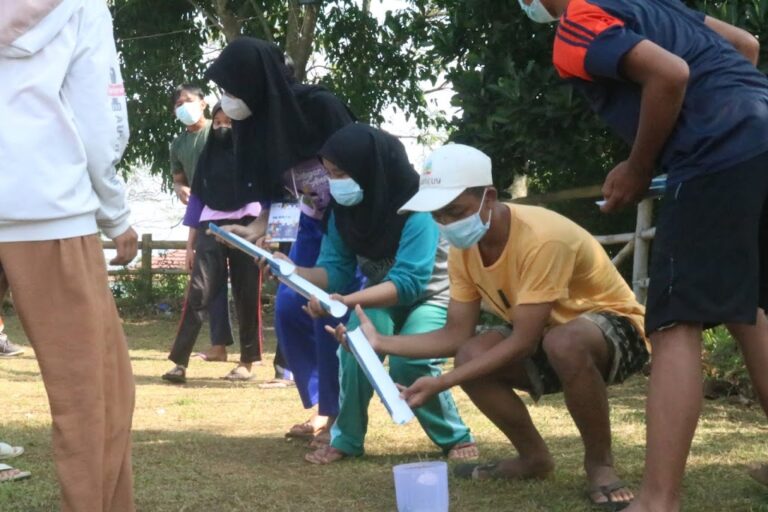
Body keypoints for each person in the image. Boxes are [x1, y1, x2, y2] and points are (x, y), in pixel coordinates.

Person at [514, 0, 768, 509]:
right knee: (751, 312)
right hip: (760, 132)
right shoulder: (652, 5)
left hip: (715, 156)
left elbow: (669, 74)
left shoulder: (575, 26)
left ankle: (657, 500)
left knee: (675, 324)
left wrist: (639, 165)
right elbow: (745, 45)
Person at [330, 144, 649, 508]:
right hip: (549, 337)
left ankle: (600, 465)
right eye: (438, 215)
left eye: (455, 211)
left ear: (489, 197)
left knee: (564, 341)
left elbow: (524, 342)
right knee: (471, 354)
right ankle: (533, 459)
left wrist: (442, 381)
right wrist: (381, 343)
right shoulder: (464, 251)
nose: (446, 224)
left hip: (617, 334)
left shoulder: (542, 238)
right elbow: (455, 335)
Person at [0, 1, 137, 510]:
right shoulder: (81, 6)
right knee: (95, 400)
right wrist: (116, 214)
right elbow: (98, 119)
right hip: (49, 210)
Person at [277, 124, 477, 464]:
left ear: (370, 168)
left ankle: (454, 437)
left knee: (408, 360)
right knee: (355, 344)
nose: (333, 183)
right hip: (379, 298)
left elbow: (409, 283)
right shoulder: (344, 214)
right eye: (329, 173)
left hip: (432, 296)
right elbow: (336, 269)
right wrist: (293, 272)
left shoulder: (419, 208)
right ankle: (347, 440)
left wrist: (345, 301)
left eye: (340, 173)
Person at [205, 38, 358, 442]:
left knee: (322, 309)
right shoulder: (252, 125)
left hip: (348, 223)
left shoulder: (319, 107)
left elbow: (363, 163)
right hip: (309, 221)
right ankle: (319, 407)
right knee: (290, 307)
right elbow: (282, 193)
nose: (227, 100)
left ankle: (336, 415)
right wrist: (259, 231)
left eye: (233, 89)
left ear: (256, 82)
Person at [163, 103, 264, 383]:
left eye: (228, 123)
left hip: (248, 226)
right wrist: (190, 245)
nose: (222, 127)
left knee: (247, 293)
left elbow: (267, 193)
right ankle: (179, 363)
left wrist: (266, 233)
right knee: (198, 292)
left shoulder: (254, 156)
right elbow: (196, 201)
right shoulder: (207, 157)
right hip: (211, 228)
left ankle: (247, 362)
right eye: (217, 122)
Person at [169, 84, 235, 363]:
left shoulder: (219, 130)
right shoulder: (178, 145)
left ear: (204, 103)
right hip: (204, 214)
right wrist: (179, 188)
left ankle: (250, 357)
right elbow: (180, 180)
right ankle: (218, 346)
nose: (184, 106)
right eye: (178, 103)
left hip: (236, 212)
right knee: (210, 283)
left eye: (189, 100)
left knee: (244, 284)